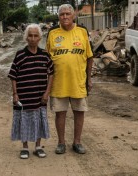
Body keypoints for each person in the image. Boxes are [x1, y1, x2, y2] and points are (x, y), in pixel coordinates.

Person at [46, 4, 93, 154]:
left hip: (78, 81)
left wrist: (89, 79)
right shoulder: (53, 33)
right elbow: (46, 60)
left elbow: (90, 57)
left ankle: (77, 142)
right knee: (60, 113)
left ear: (73, 15)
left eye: (67, 14)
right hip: (58, 83)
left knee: (79, 112)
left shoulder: (82, 31)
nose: (65, 17)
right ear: (58, 16)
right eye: (62, 14)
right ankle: (61, 143)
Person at [8, 23, 54, 159]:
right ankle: (25, 147)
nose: (33, 38)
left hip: (40, 97)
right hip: (24, 97)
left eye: (36, 36)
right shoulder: (20, 55)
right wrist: (15, 94)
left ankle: (38, 147)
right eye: (30, 35)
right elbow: (13, 76)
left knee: (39, 120)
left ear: (40, 38)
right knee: (24, 121)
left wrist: (47, 93)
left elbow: (51, 73)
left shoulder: (45, 55)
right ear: (26, 38)